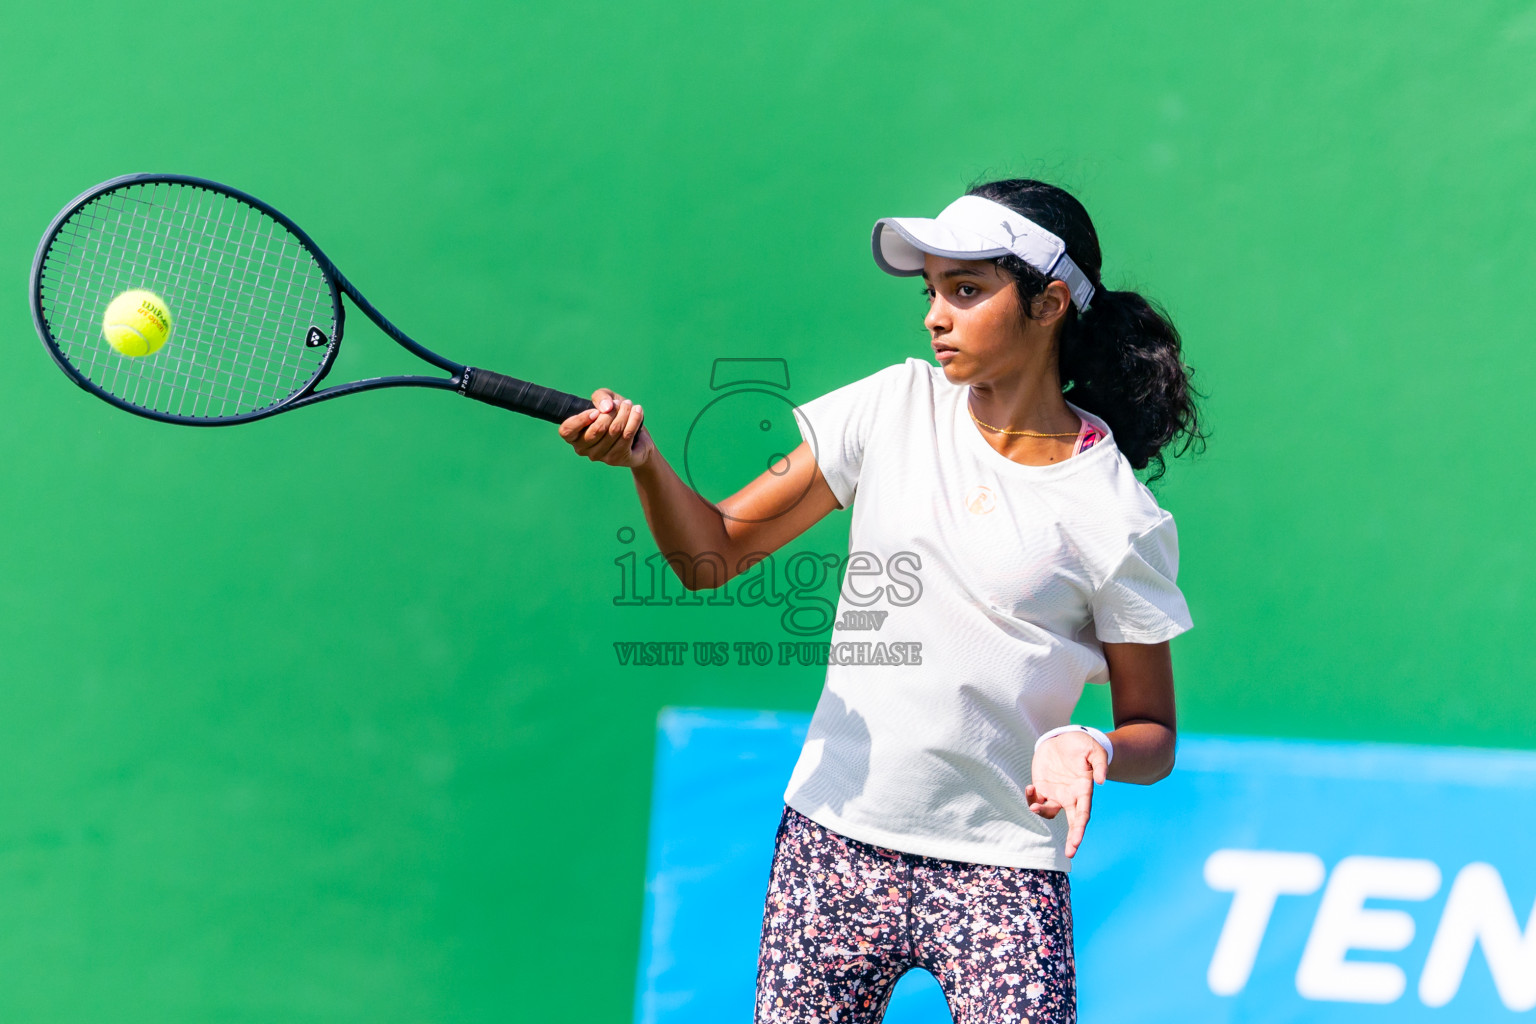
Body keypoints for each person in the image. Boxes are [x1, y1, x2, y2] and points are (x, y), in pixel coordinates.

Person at [558, 179, 1203, 1024]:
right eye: (930, 290)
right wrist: (644, 459)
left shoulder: (1118, 515)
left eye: (967, 291)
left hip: (1003, 874)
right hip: (833, 842)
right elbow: (710, 553)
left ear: (1048, 304)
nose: (936, 314)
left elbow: (1153, 733)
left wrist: (1094, 745)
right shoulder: (892, 407)